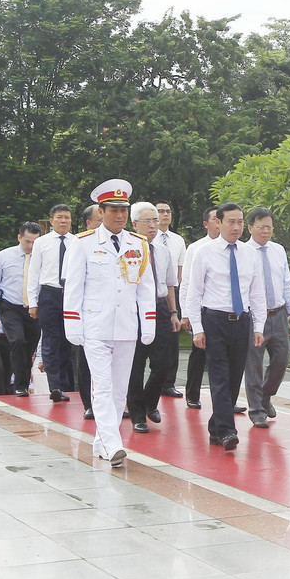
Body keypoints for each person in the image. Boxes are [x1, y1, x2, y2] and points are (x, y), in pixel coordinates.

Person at [63, 179, 156, 468]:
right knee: (101, 386)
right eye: (113, 210)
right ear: (101, 212)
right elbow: (74, 287)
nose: (119, 216)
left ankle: (103, 442)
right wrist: (73, 323)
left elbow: (145, 287)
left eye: (123, 211)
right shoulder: (83, 243)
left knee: (118, 389)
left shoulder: (137, 244)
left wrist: (148, 322)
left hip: (126, 326)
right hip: (96, 325)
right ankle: (114, 441)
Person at [187, 203, 266, 451]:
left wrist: (259, 326)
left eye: (240, 222)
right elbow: (193, 293)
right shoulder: (204, 253)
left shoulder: (249, 253)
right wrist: (197, 328)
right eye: (231, 222)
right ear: (218, 223)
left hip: (241, 321)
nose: (236, 227)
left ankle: (216, 427)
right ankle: (228, 431)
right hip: (214, 320)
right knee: (219, 377)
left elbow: (257, 293)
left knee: (233, 378)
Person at [126, 202, 181, 433]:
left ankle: (150, 401)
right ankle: (137, 414)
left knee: (164, 363)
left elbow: (169, 284)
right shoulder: (127, 250)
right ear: (134, 224)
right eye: (147, 221)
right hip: (133, 308)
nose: (152, 226)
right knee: (135, 364)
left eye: (155, 221)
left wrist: (174, 312)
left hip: (159, 308)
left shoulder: (163, 251)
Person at [244, 207, 290, 428]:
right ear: (250, 228)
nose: (266, 231)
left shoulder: (278, 250)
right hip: (254, 317)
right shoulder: (243, 252)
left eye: (269, 227)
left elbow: (286, 281)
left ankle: (265, 397)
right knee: (254, 364)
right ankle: (256, 410)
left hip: (278, 314)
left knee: (282, 359)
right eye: (261, 227)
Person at [0, 221, 42, 397]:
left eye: (35, 242)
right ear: (19, 237)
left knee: (29, 347)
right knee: (17, 340)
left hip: (34, 307)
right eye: (27, 241)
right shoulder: (4, 256)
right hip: (10, 306)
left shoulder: (43, 257)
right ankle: (19, 384)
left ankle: (23, 382)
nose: (31, 246)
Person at [27, 204, 75, 403]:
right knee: (50, 340)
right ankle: (54, 385)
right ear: (51, 220)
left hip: (71, 294)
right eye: (59, 217)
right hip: (49, 294)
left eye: (67, 217)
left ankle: (66, 385)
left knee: (68, 340)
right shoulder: (42, 243)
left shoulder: (78, 242)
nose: (63, 221)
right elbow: (34, 273)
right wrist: (32, 301)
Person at [180, 205, 220, 409]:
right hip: (203, 309)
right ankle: (192, 394)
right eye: (215, 218)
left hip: (225, 311)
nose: (219, 222)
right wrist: (186, 313)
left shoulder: (236, 247)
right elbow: (187, 282)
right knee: (199, 353)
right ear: (206, 224)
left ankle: (224, 400)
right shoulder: (196, 248)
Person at [155, 200, 187, 399]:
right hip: (153, 293)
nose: (165, 215)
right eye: (160, 211)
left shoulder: (177, 240)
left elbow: (180, 269)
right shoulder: (146, 238)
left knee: (173, 341)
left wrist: (174, 289)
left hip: (172, 292)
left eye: (167, 211)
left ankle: (169, 383)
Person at [76, 204, 103, 418]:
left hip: (116, 317)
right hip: (89, 315)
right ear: (89, 223)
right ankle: (88, 403)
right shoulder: (81, 243)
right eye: (99, 219)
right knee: (85, 362)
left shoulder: (128, 242)